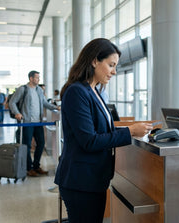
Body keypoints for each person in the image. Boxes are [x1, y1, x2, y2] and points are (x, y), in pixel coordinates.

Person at [54, 38, 153, 223]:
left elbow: (100, 128)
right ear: (94, 61)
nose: (114, 72)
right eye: (111, 65)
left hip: (93, 179)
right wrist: (130, 132)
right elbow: (89, 140)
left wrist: (130, 129)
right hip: (80, 181)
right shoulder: (77, 92)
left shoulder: (94, 91)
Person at [9, 70, 60, 177]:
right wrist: (17, 113)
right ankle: (29, 168)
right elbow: (12, 102)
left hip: (38, 123)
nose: (38, 79)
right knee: (27, 145)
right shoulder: (23, 89)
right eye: (37, 78)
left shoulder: (39, 90)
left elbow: (45, 103)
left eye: (39, 78)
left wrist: (56, 107)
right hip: (27, 122)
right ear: (31, 78)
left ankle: (36, 166)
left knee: (41, 143)